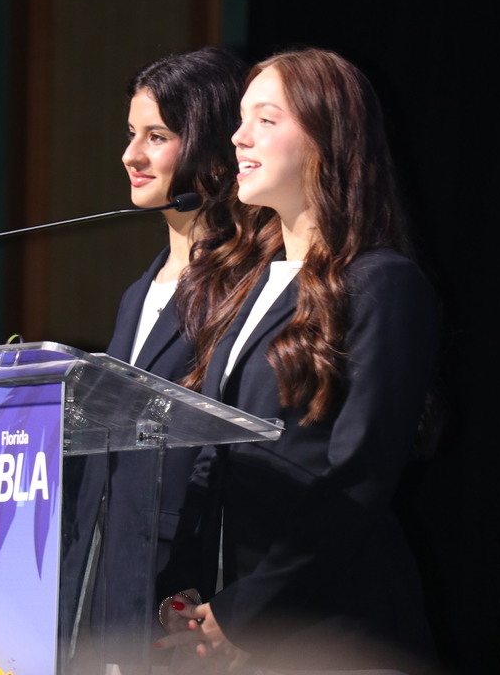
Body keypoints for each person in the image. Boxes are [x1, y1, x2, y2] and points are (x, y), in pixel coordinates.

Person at [156, 48, 441, 674]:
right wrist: (187, 593)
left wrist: (248, 611)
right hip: (229, 625)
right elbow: (212, 454)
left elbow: (360, 472)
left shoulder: (383, 284)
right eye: (239, 119)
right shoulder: (249, 288)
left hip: (333, 626)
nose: (237, 136)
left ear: (324, 139)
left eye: (266, 118)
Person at [67, 46, 247, 673]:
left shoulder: (248, 291)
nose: (130, 155)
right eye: (130, 134)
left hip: (184, 610)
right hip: (100, 608)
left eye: (157, 136)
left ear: (212, 148)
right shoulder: (136, 295)